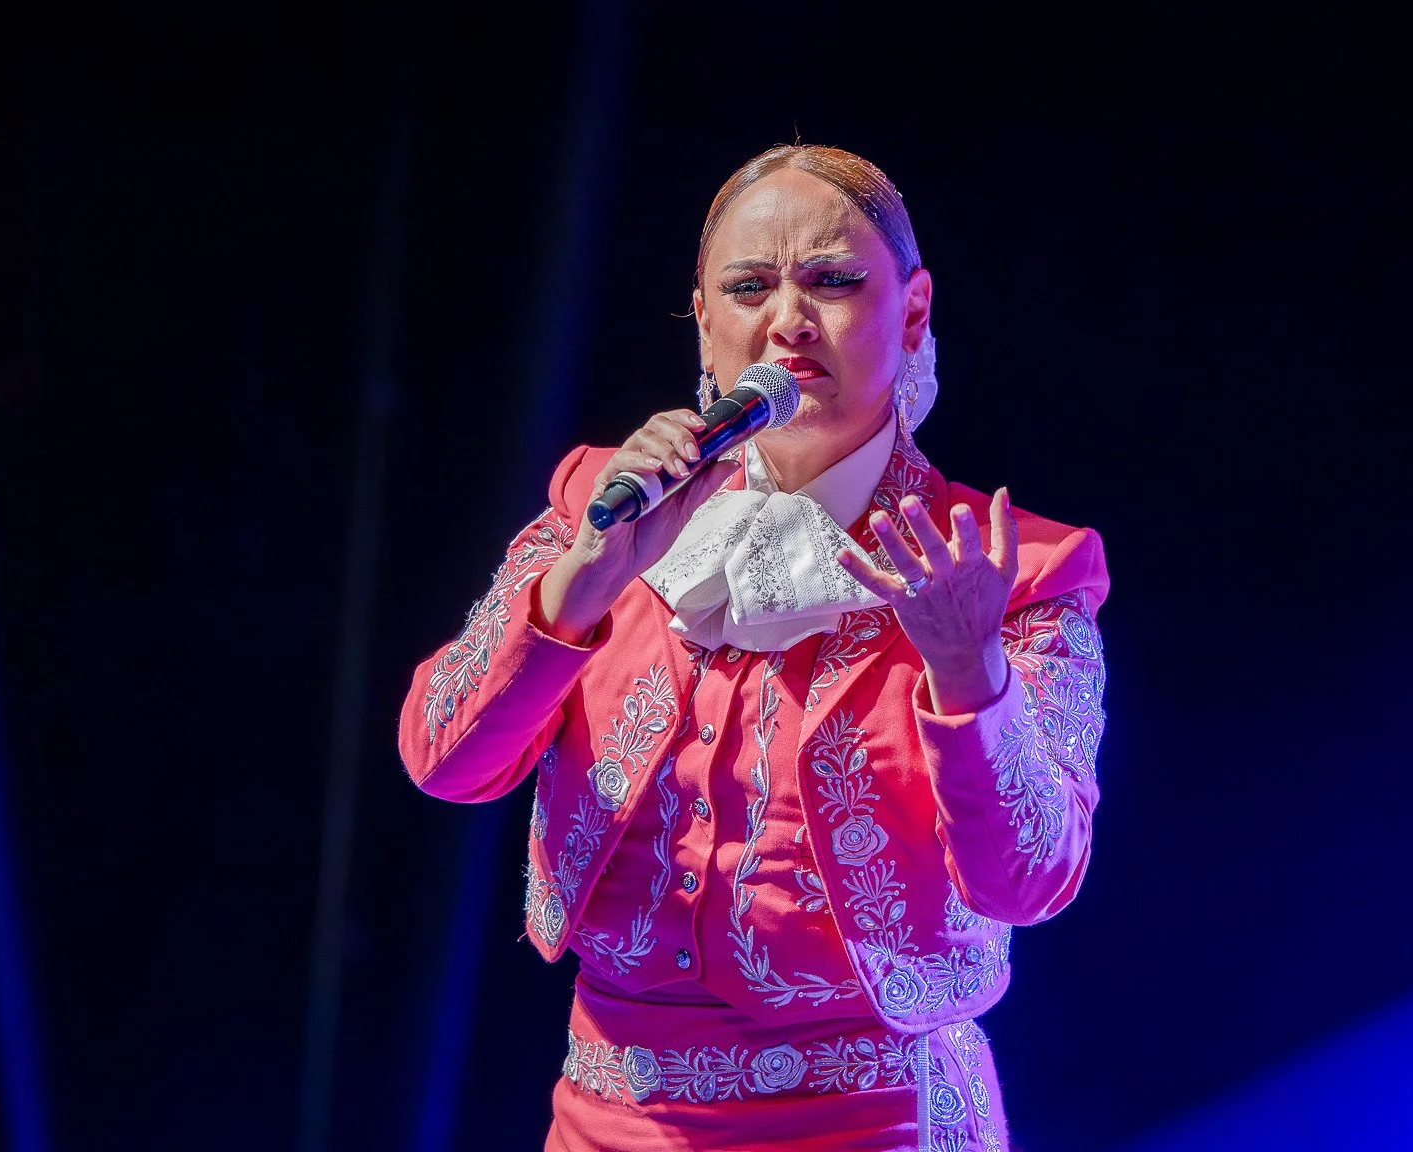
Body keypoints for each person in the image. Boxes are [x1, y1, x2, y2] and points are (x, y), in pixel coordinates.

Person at [398, 143, 1109, 1152]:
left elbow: (1028, 878)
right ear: (701, 317)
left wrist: (964, 671)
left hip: (872, 1123)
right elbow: (445, 758)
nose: (785, 319)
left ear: (909, 311)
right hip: (610, 1121)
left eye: (829, 281)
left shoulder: (1012, 569)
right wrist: (582, 585)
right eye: (747, 287)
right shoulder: (602, 513)